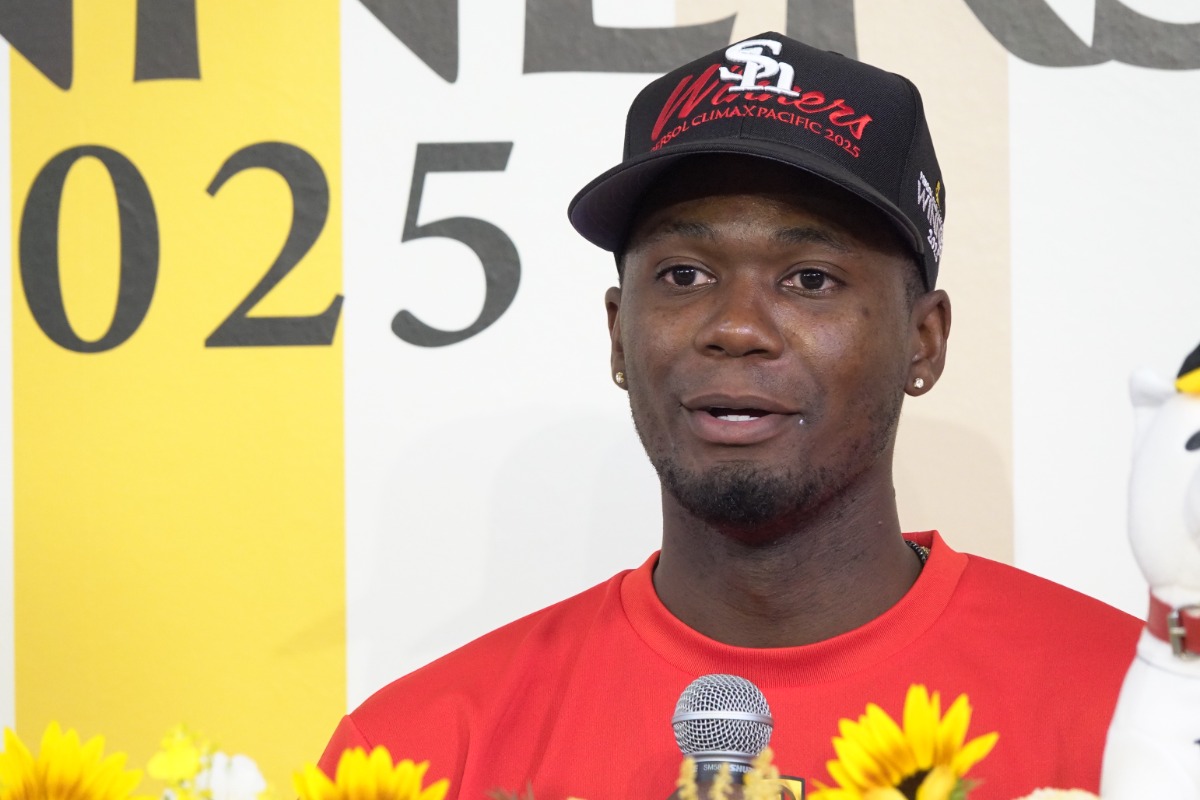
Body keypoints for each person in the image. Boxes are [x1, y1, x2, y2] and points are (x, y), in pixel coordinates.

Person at [318, 33, 1140, 799]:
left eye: (810, 278)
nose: (737, 327)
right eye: (684, 275)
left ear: (923, 342)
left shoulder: (1136, 716)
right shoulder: (419, 756)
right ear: (618, 334)